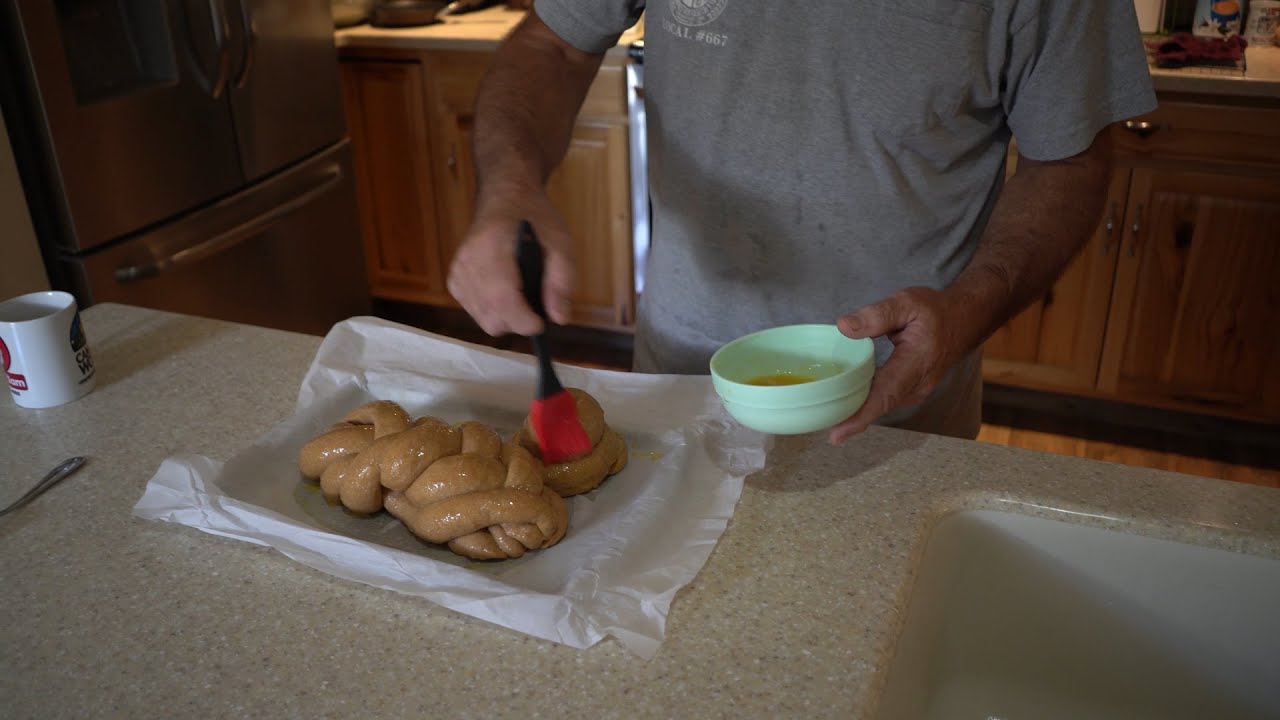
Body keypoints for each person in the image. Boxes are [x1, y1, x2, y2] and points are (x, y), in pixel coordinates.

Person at [446, 0, 1157, 442]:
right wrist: (508, 187)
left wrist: (970, 309)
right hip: (681, 388)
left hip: (896, 411)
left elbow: (1068, 159)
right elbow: (553, 44)